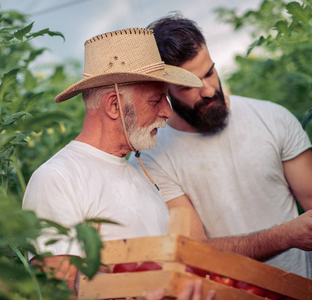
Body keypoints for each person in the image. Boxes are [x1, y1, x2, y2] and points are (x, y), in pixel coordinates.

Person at [132, 15, 312, 281]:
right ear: (163, 88)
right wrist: (284, 237)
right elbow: (194, 252)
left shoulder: (273, 118)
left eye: (209, 72)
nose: (208, 90)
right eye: (188, 86)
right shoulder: (153, 158)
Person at [22, 28, 215, 299]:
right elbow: (55, 293)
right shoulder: (59, 178)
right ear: (114, 106)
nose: (167, 112)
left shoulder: (141, 173)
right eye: (156, 100)